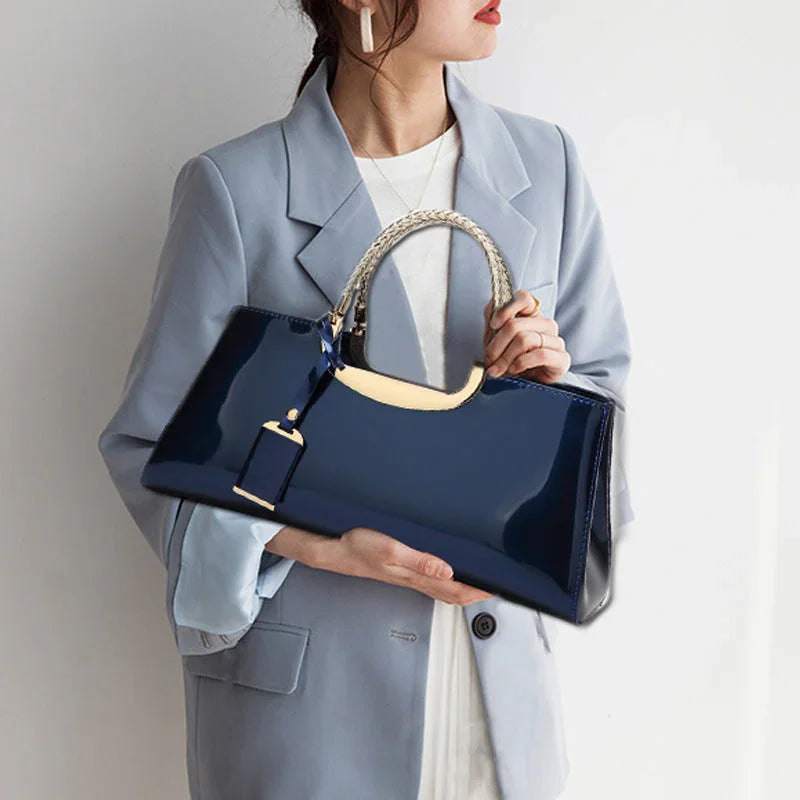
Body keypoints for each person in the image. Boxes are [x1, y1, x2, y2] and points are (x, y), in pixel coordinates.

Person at [97, 2, 634, 799]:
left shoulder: (544, 165)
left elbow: (604, 402)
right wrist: (322, 546)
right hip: (314, 717)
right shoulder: (236, 191)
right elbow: (151, 453)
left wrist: (541, 400)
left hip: (496, 706)